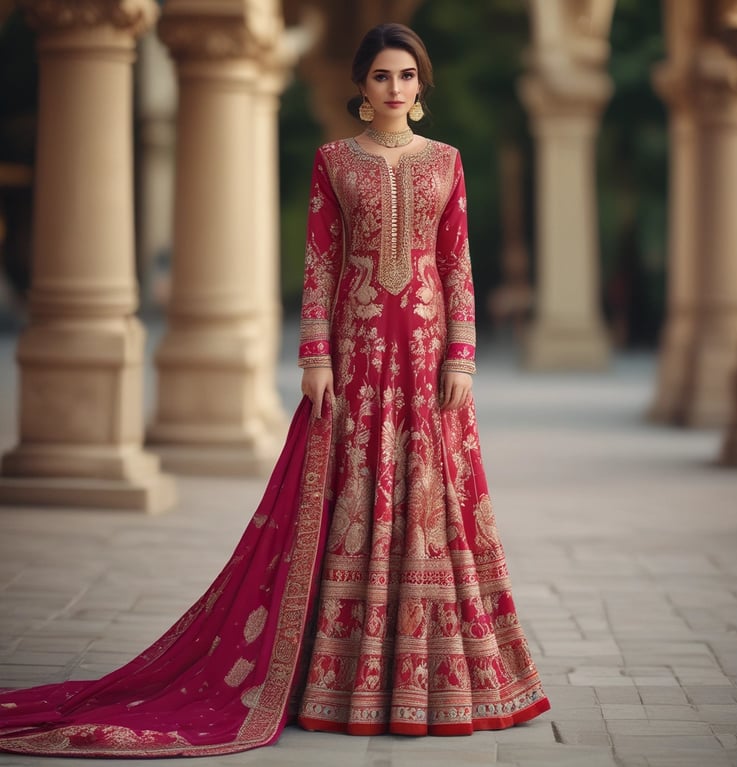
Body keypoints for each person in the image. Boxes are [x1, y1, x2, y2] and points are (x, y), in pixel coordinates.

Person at [0, 22, 549, 758]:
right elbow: (320, 261)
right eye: (382, 75)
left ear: (421, 86)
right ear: (362, 86)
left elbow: (457, 265)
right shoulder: (333, 161)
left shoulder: (446, 163)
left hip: (425, 355)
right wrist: (315, 355)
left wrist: (462, 355)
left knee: (429, 495)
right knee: (352, 497)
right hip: (356, 354)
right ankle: (334, 677)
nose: (395, 88)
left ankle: (434, 678)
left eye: (407, 76)